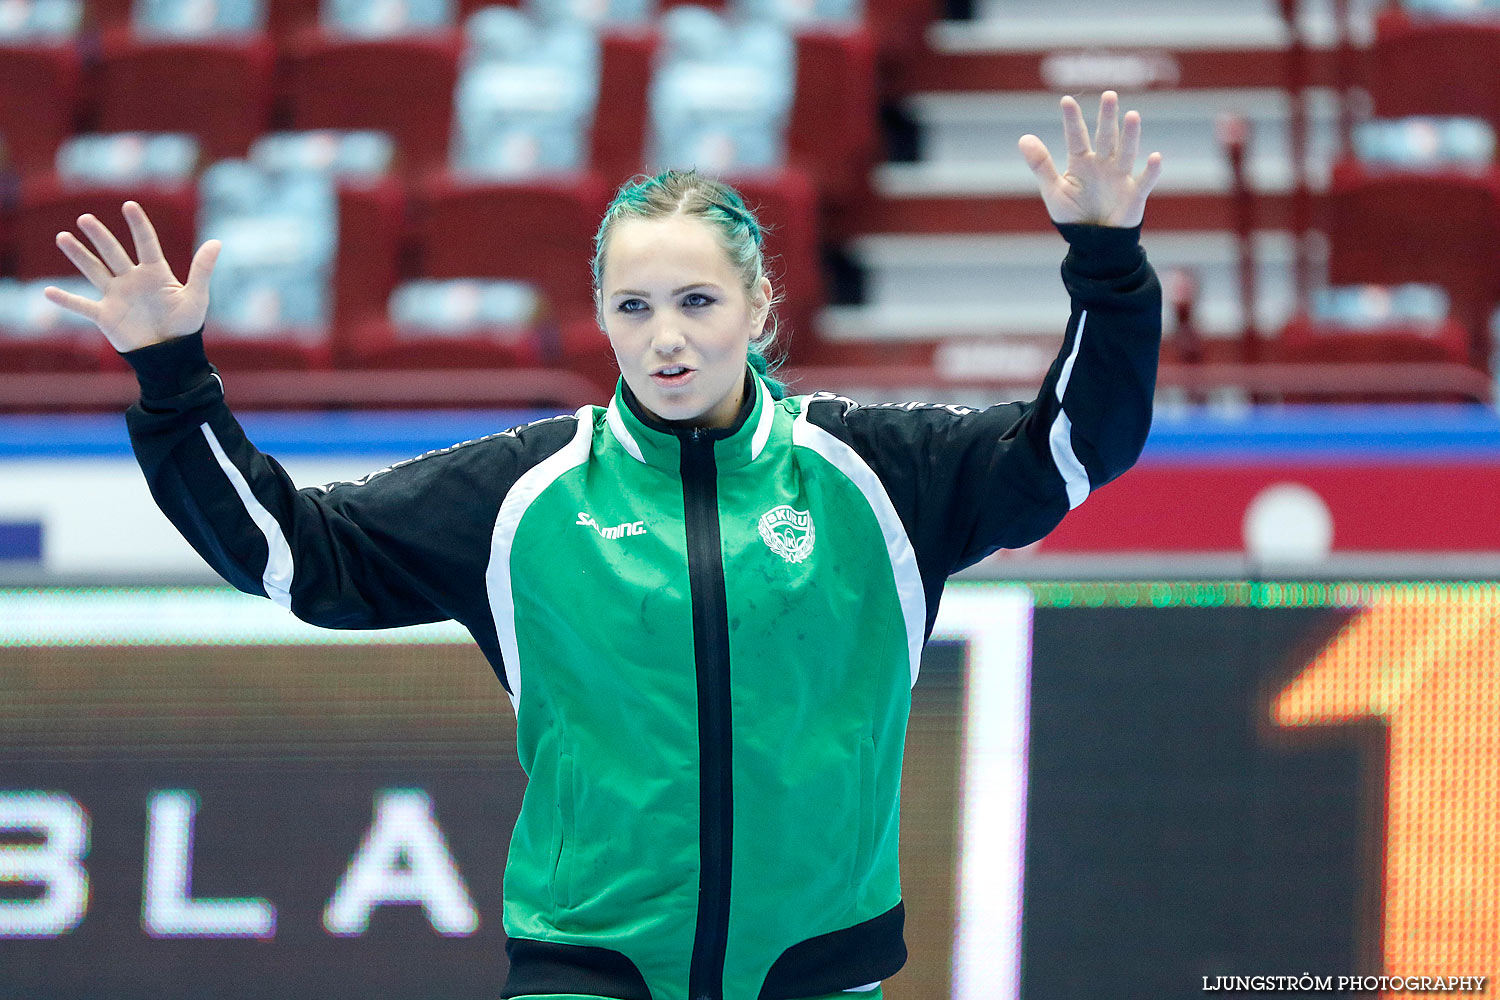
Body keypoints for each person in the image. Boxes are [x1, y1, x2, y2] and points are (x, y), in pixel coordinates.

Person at [44, 91, 1164, 1000]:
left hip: (820, 972)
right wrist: (173, 378)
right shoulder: (522, 492)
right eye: (632, 308)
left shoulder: (877, 474)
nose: (665, 338)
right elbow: (294, 557)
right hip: (589, 970)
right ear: (599, 312)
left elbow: (1076, 448)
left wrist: (1108, 265)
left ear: (760, 304)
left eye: (696, 300)